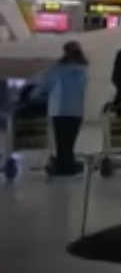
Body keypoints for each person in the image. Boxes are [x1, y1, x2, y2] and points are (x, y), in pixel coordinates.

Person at [34, 41, 89, 176]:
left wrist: (34, 94)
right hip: (77, 110)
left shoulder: (58, 69)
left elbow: (45, 85)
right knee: (69, 142)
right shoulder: (83, 69)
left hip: (60, 110)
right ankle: (68, 164)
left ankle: (63, 167)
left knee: (61, 141)